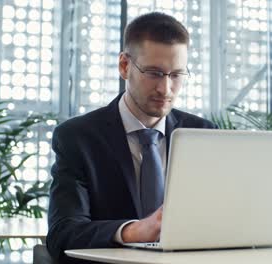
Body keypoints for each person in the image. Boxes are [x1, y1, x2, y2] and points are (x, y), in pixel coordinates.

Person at [46, 12, 216, 262]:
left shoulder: (204, 134)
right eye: (154, 73)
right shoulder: (77, 138)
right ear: (124, 66)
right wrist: (134, 231)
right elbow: (64, 233)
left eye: (177, 75)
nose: (166, 89)